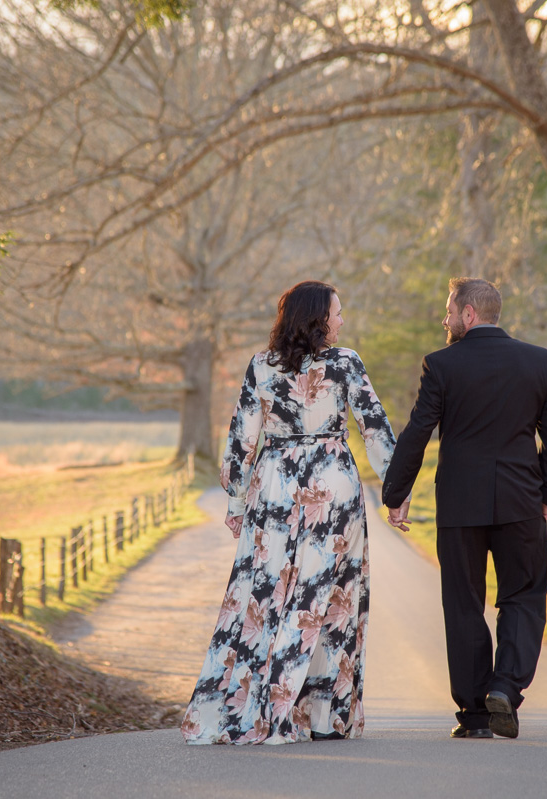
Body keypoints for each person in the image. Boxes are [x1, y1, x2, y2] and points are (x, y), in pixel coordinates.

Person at [181, 280, 397, 745]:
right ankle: (322, 717)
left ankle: (262, 705)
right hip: (331, 484)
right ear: (319, 319)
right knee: (331, 596)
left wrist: (237, 499)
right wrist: (395, 492)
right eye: (337, 313)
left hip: (275, 484)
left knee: (267, 596)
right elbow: (374, 427)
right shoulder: (345, 363)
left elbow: (241, 438)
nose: (342, 321)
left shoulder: (262, 365)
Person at [382, 277, 547, 740]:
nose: (443, 320)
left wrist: (395, 493)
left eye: (448, 311)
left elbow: (417, 431)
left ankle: (475, 716)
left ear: (468, 314)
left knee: (464, 604)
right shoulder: (538, 361)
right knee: (523, 597)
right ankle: (505, 685)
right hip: (522, 503)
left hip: (460, 508)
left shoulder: (441, 365)